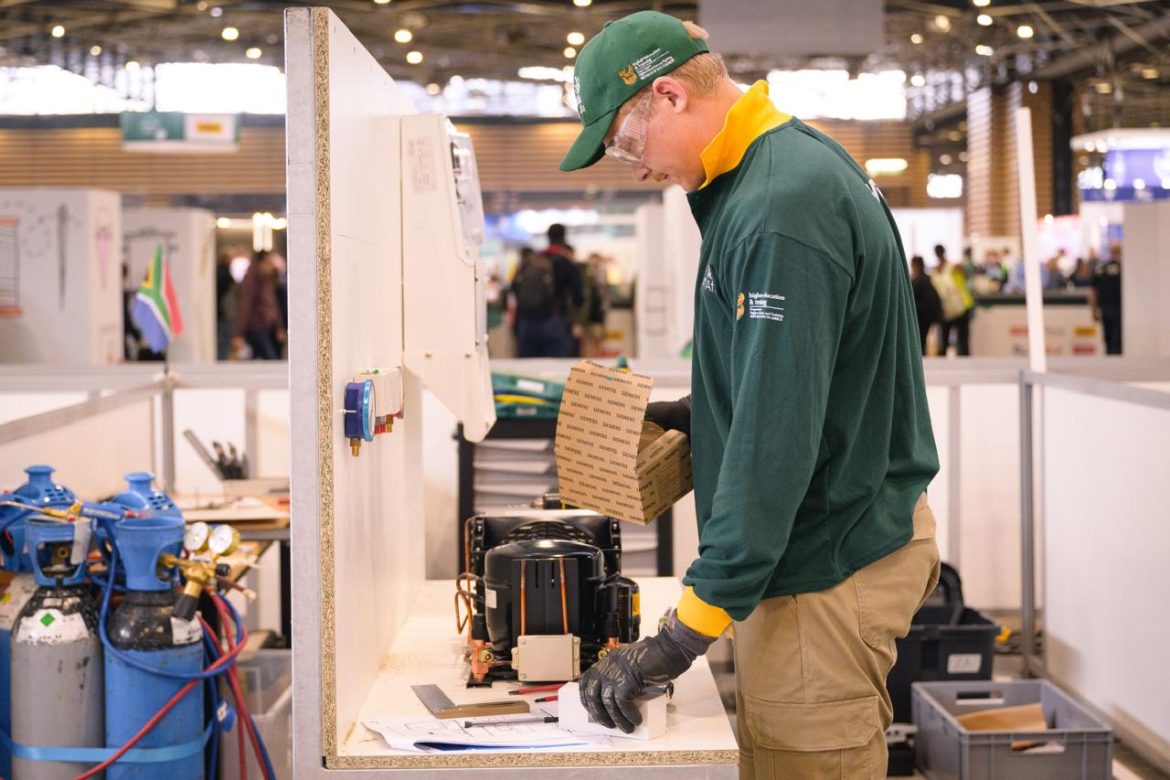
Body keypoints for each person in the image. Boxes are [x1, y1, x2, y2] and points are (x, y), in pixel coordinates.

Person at [558, 12, 940, 777]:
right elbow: (805, 380)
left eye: (626, 143)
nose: (636, 169)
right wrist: (705, 413)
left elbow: (775, 444)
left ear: (670, 95)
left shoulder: (776, 210)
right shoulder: (774, 171)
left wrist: (678, 639)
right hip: (815, 549)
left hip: (825, 565)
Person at [511, 224, 582, 357]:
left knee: (529, 366)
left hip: (528, 323)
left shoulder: (531, 261)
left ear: (547, 237)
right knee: (556, 366)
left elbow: (514, 287)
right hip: (555, 322)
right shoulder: (566, 263)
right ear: (564, 238)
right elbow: (578, 297)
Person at [231, 249, 285, 360]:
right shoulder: (251, 280)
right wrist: (238, 334)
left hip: (267, 327)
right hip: (256, 327)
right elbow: (245, 306)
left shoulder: (267, 280)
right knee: (271, 360)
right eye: (269, 262)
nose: (272, 266)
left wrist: (279, 327)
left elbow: (273, 305)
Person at [934, 244, 974, 356]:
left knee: (957, 342)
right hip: (950, 308)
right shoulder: (938, 270)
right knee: (950, 342)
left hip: (958, 308)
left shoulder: (952, 268)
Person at [1090, 242, 1122, 354]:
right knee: (1118, 338)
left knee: (1108, 336)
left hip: (1105, 307)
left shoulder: (1100, 268)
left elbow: (1093, 292)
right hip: (1119, 308)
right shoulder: (1124, 269)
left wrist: (1093, 310)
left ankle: (1110, 355)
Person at [911, 255, 943, 355]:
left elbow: (927, 301)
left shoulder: (921, 281)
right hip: (924, 317)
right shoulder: (925, 279)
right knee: (921, 342)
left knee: (920, 342)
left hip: (922, 317)